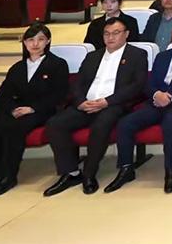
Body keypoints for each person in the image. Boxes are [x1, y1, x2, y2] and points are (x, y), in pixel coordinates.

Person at [43, 17, 148, 197]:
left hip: (113, 105)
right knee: (55, 124)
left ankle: (89, 174)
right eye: (107, 33)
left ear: (126, 34)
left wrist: (107, 101)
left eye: (116, 33)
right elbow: (77, 83)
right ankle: (71, 172)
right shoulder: (93, 56)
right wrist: (80, 102)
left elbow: (137, 86)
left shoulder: (137, 55)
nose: (110, 37)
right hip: (86, 104)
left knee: (100, 126)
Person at [107, 18, 172, 194]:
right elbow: (149, 83)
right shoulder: (162, 56)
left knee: (170, 121)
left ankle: (170, 172)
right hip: (158, 101)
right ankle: (126, 168)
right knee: (126, 123)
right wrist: (156, 94)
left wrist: (170, 96)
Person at [0, 23, 68, 200]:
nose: (35, 44)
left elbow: (59, 95)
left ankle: (8, 177)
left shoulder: (57, 64)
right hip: (16, 111)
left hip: (41, 111)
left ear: (48, 41)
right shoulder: (17, 67)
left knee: (14, 129)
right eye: (30, 40)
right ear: (24, 43)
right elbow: (1, 95)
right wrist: (12, 109)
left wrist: (32, 108)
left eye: (40, 39)